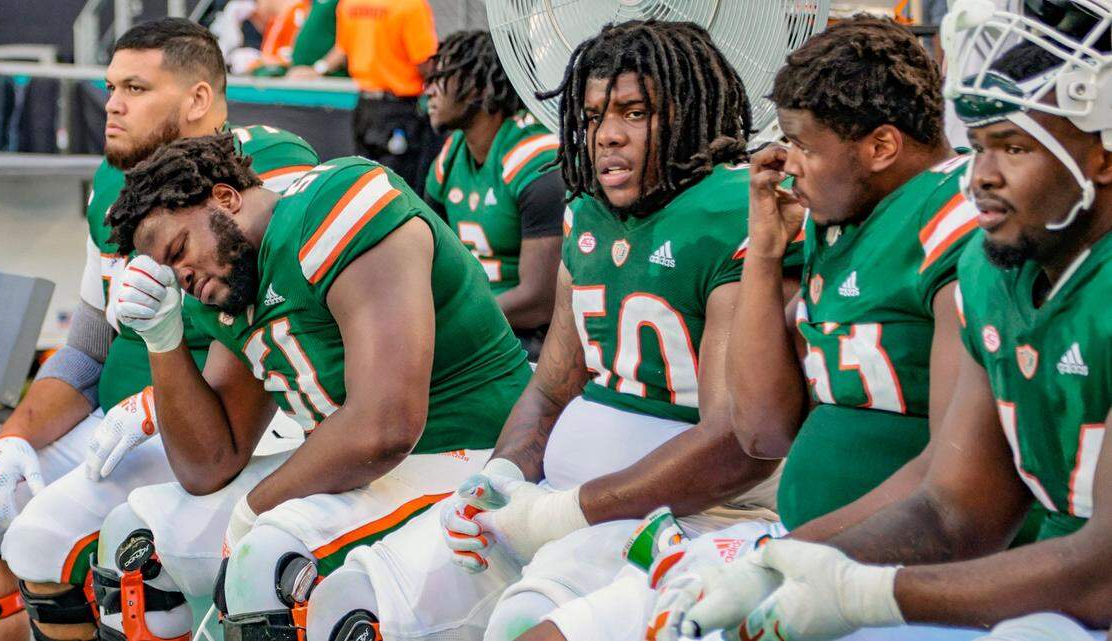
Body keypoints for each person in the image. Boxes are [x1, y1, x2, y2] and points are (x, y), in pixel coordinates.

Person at [303, 19, 802, 641]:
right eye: (591, 116)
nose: (606, 135)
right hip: (563, 501)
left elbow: (736, 443)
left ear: (691, 112)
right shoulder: (588, 210)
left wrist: (567, 511)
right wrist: (501, 476)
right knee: (349, 598)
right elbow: (550, 388)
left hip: (699, 517)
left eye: (634, 112)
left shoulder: (732, 210)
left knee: (525, 621)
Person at [513, 15, 981, 641]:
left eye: (805, 147)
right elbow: (763, 429)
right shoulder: (837, 219)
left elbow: (949, 484)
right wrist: (763, 253)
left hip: (898, 569)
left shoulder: (957, 221)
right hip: (800, 545)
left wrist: (775, 561)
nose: (787, 163)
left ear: (881, 148)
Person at [656, 3, 1112, 639]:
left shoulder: (964, 237)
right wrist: (781, 567)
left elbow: (1099, 570)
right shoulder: (994, 269)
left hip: (1051, 592)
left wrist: (867, 593)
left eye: (1013, 147)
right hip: (1025, 587)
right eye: (979, 146)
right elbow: (954, 508)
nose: (981, 177)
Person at [91, 131, 532, 641]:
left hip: (469, 452)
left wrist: (254, 507)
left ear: (226, 197)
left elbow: (385, 427)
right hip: (363, 473)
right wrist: (161, 338)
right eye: (169, 269)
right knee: (135, 538)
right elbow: (208, 465)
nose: (182, 275)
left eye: (179, 249)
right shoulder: (229, 286)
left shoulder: (336, 206)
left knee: (268, 561)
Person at [0, 18, 317, 641]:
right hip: (113, 423)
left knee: (44, 535)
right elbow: (85, 350)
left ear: (197, 99)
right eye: (110, 87)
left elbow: (267, 339)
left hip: (211, 426)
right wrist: (15, 436)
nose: (110, 104)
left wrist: (162, 406)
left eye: (135, 88)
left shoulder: (266, 172)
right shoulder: (113, 181)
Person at [424, 30, 565, 359]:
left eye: (442, 77)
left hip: (529, 340)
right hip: (475, 323)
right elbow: (425, 257)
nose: (428, 90)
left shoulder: (535, 160)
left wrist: (447, 323)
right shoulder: (451, 155)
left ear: (478, 86)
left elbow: (539, 302)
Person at [292, 0, 438, 190]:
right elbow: (424, 61)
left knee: (367, 183)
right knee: (401, 188)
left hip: (365, 109)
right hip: (400, 110)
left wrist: (318, 69)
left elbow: (342, 49)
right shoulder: (410, 5)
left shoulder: (349, 3)